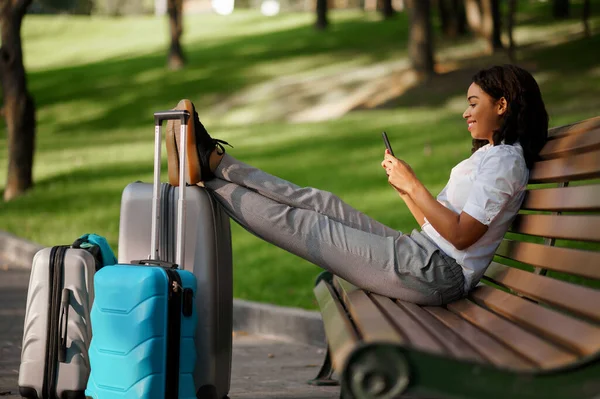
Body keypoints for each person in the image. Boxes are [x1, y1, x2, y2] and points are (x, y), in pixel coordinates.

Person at [166, 64, 548, 306]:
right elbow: (440, 226)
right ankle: (217, 162)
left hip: (435, 273)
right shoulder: (490, 156)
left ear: (502, 106)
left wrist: (414, 185)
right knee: (323, 203)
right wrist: (405, 190)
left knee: (307, 226)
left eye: (473, 103)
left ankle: (209, 180)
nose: (466, 112)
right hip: (423, 252)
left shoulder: (506, 162)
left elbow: (463, 236)